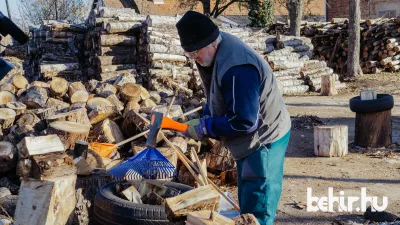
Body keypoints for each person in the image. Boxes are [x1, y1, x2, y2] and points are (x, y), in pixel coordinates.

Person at [176, 11, 291, 225]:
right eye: (189, 54)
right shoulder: (213, 53)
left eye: (195, 53)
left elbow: (245, 121)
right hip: (249, 136)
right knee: (246, 195)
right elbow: (219, 93)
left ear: (209, 43)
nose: (194, 59)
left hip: (264, 138)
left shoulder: (238, 68)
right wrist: (206, 117)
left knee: (258, 204)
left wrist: (207, 127)